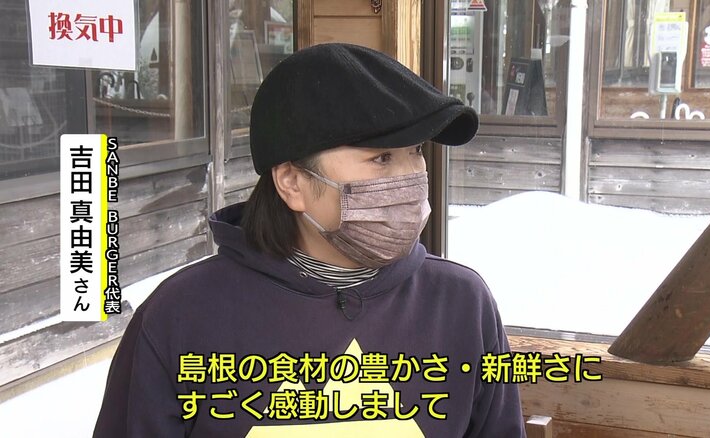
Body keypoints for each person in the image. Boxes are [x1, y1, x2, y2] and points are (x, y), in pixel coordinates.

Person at [94, 42, 526, 437]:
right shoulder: (182, 315)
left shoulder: (460, 304)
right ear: (292, 182)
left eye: (415, 152)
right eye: (381, 158)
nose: (411, 178)